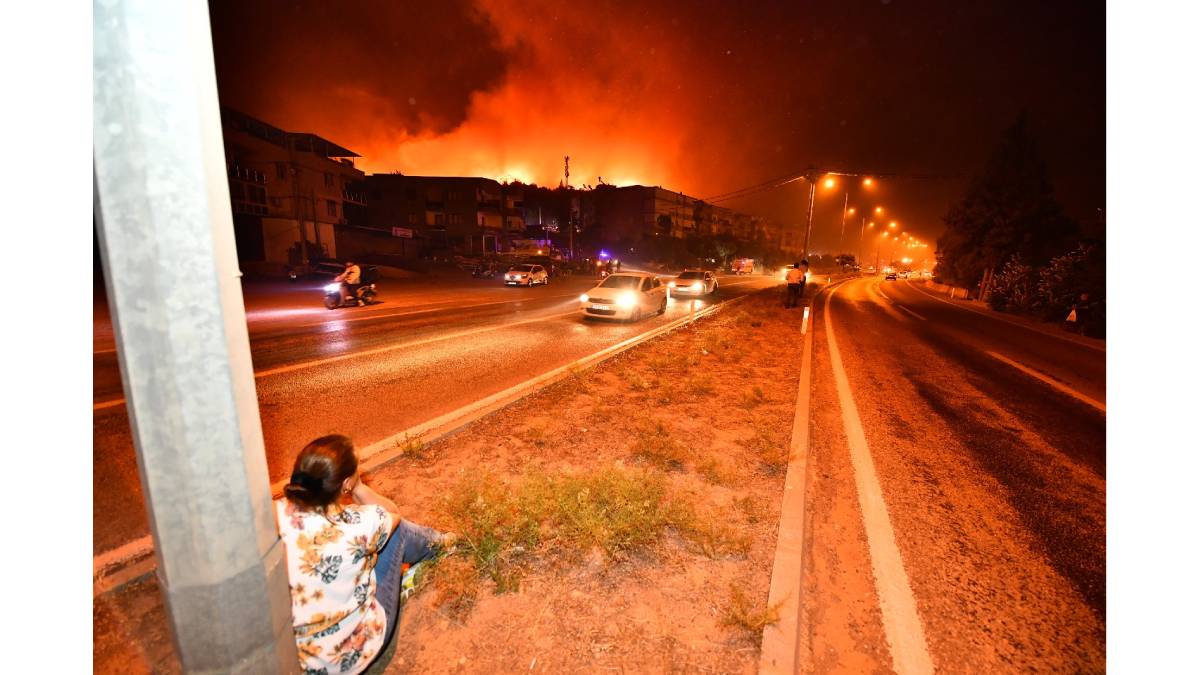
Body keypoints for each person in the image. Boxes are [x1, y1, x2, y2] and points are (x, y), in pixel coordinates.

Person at [276, 435, 455, 675]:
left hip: (301, 660)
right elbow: (392, 514)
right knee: (398, 533)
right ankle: (441, 543)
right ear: (345, 483)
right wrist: (358, 487)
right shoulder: (356, 525)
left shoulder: (273, 517)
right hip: (349, 655)